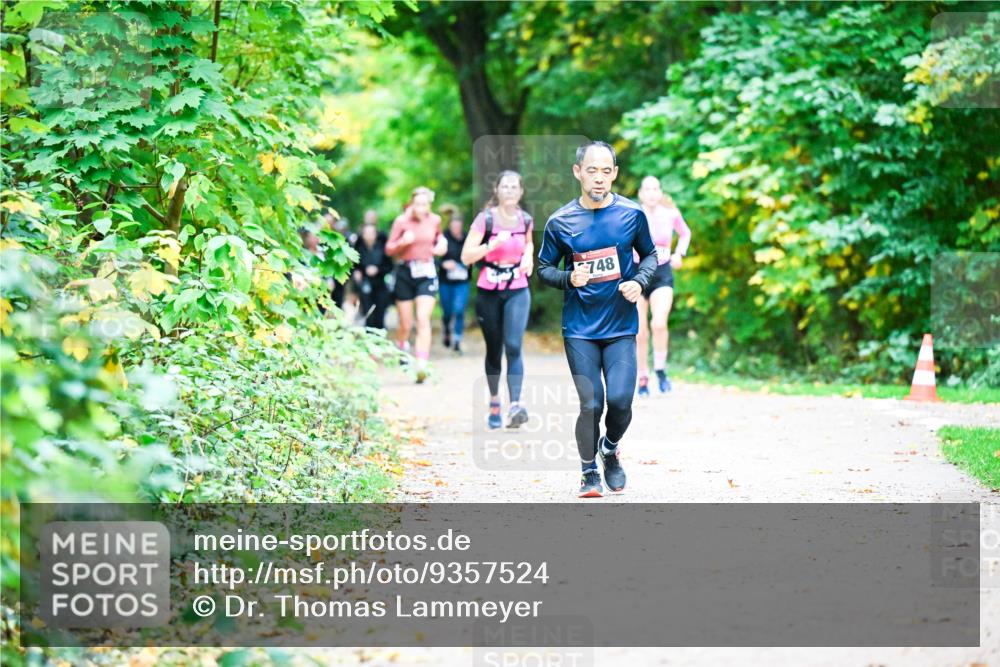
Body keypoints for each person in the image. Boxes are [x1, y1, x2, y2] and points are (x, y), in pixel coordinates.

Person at [537, 142, 656, 498]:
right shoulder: (560, 222)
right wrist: (567, 277)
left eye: (606, 171)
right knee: (591, 403)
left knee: (620, 401)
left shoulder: (631, 215)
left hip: (620, 326)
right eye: (592, 170)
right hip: (580, 329)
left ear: (615, 174)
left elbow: (650, 255)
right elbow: (543, 268)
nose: (599, 178)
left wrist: (638, 281)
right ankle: (589, 473)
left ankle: (609, 449)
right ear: (578, 172)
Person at [460, 171, 534, 430]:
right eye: (506, 186)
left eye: (515, 186)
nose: (510, 190)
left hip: (517, 288)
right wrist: (490, 246)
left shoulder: (525, 220)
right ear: (498, 190)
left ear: (521, 191)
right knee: (494, 349)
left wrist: (529, 257)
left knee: (513, 345)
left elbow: (529, 245)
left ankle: (515, 406)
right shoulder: (486, 219)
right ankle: (494, 402)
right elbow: (466, 256)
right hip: (489, 289)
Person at [634, 178, 692, 396]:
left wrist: (679, 253)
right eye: (647, 189)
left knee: (659, 323)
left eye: (655, 189)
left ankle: (660, 369)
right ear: (641, 193)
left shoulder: (670, 213)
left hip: (662, 273)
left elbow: (685, 233)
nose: (651, 193)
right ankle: (642, 377)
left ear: (660, 192)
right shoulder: (633, 213)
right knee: (640, 331)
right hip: (637, 273)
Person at [385, 187, 447, 383]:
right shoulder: (401, 221)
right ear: (411, 204)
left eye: (424, 204)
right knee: (405, 323)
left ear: (429, 205)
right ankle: (402, 344)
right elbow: (389, 249)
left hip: (426, 272)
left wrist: (441, 244)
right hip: (405, 272)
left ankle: (421, 364)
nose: (421, 207)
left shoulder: (434, 220)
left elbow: (438, 237)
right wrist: (403, 242)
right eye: (417, 203)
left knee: (422, 318)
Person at [352, 209, 394, 330]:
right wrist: (359, 272)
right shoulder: (358, 242)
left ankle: (379, 338)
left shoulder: (383, 239)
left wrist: (378, 270)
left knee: (380, 311)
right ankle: (369, 339)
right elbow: (354, 263)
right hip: (365, 283)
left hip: (381, 283)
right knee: (367, 311)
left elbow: (389, 265)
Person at [437, 204, 471, 354]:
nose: (456, 228)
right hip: (446, 281)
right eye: (453, 225)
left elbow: (474, 255)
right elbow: (434, 258)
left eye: (458, 225)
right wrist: (444, 263)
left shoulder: (468, 238)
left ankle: (457, 339)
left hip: (462, 281)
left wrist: (468, 263)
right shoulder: (442, 238)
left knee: (459, 309)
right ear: (450, 225)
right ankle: (446, 330)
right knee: (447, 311)